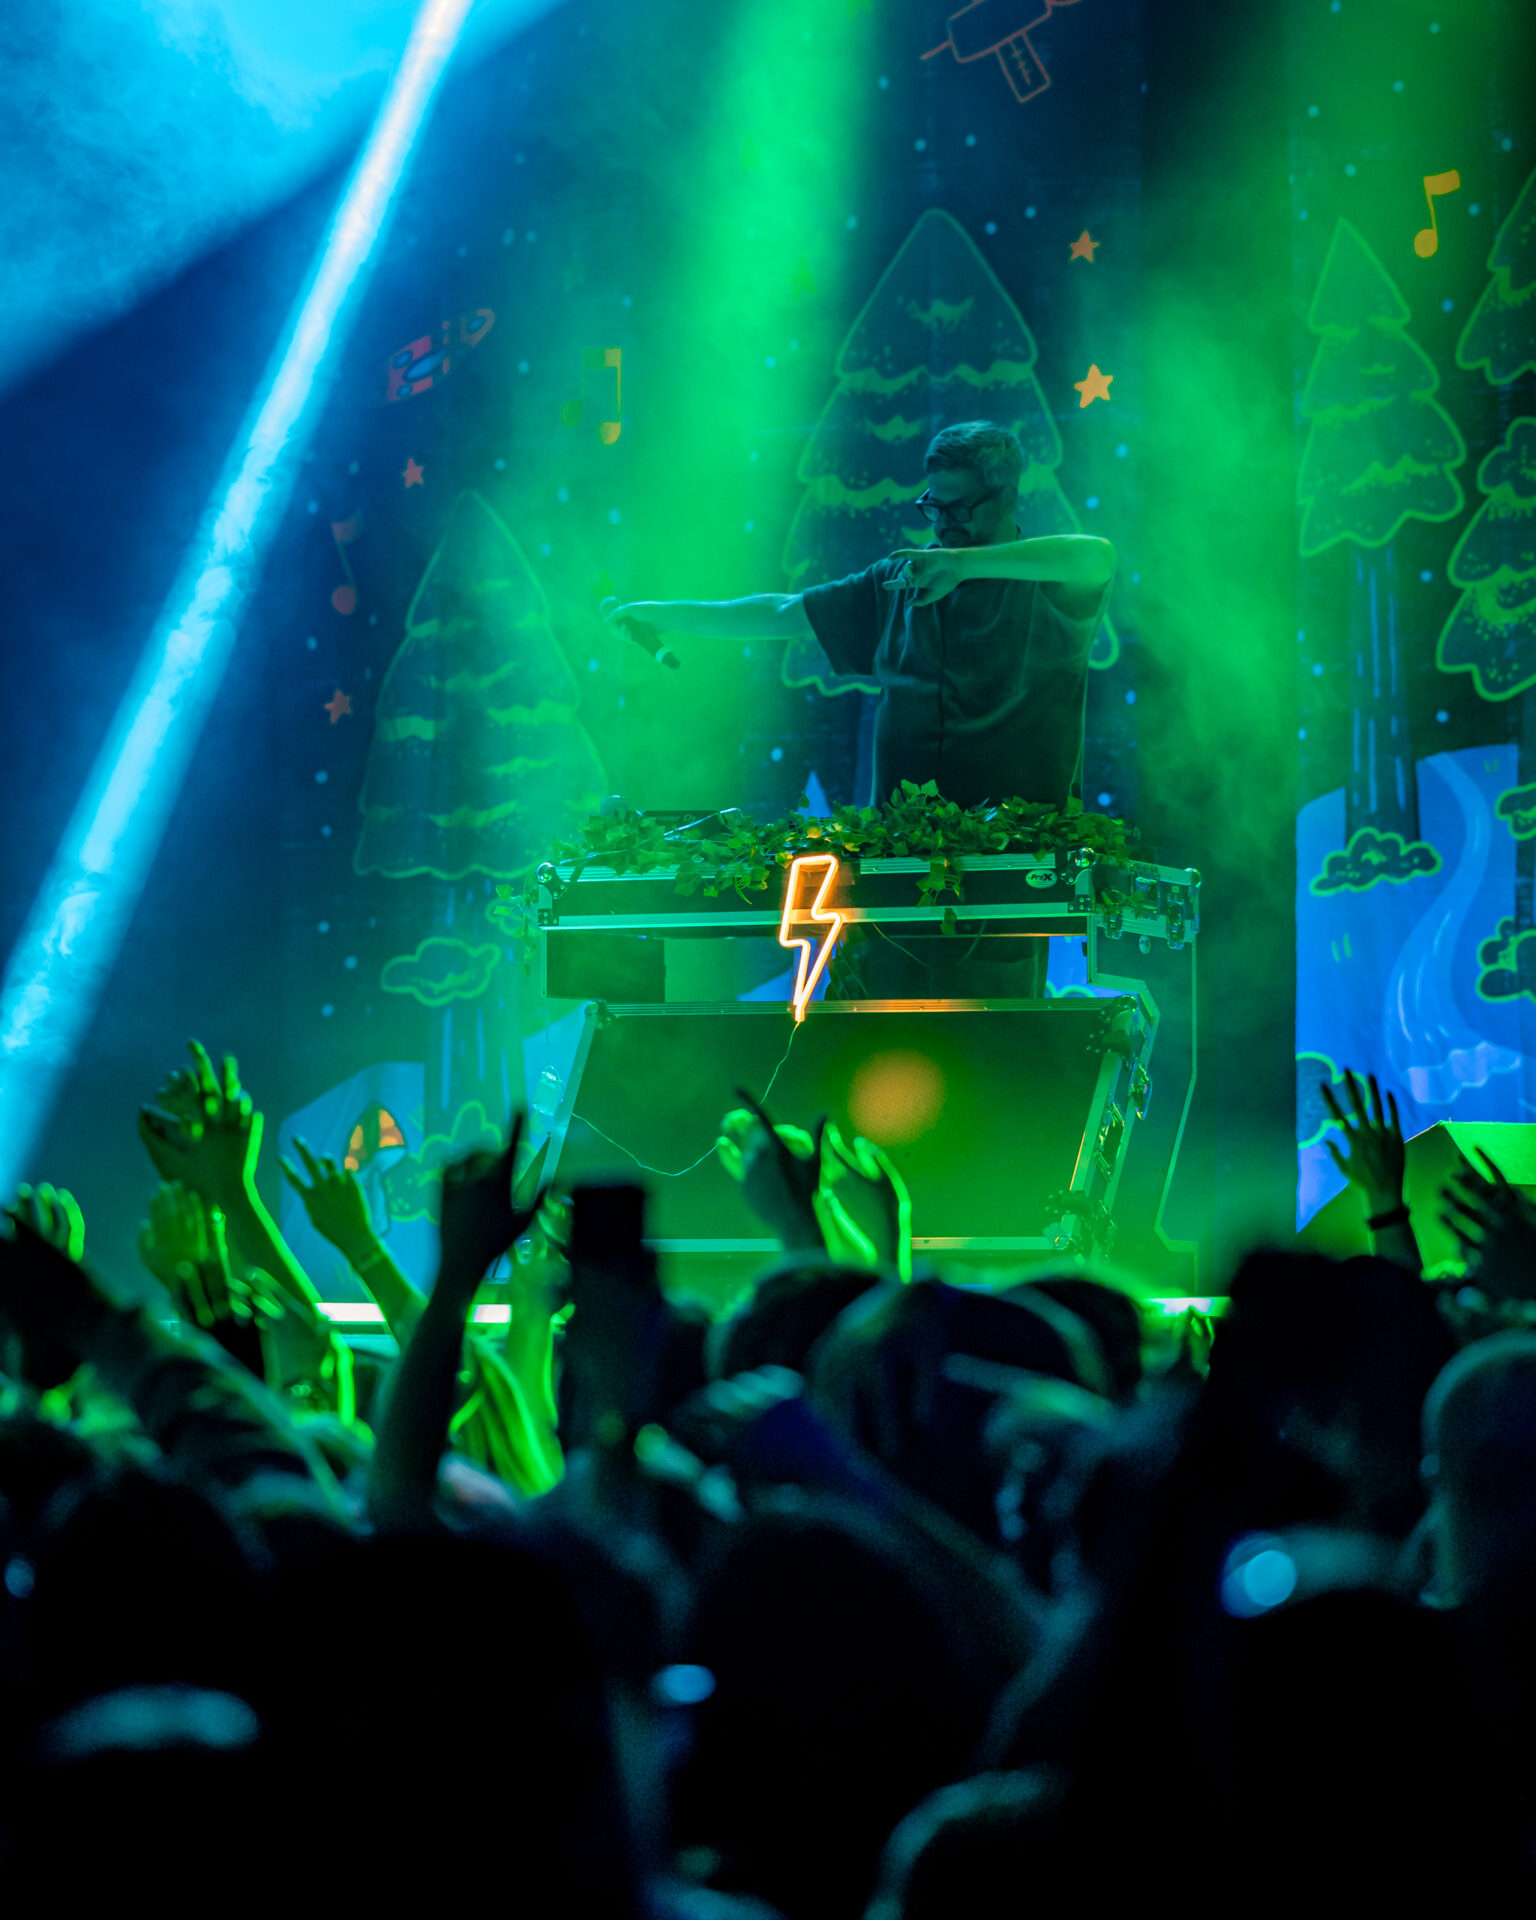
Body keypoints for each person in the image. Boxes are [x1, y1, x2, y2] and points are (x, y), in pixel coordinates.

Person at [603, 421, 1115, 998]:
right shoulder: (900, 580)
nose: (944, 523)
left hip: (1001, 878)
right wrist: (664, 614)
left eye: (961, 508)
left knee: (984, 1038)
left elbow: (1097, 557)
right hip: (892, 868)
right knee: (860, 1030)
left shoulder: (1048, 585)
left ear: (1008, 496)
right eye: (934, 506)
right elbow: (783, 612)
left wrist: (964, 566)